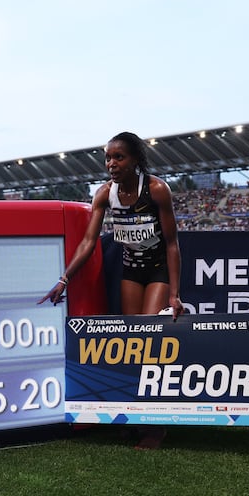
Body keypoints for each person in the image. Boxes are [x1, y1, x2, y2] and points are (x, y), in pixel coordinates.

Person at [38, 131, 184, 449]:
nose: (111, 164)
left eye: (119, 157)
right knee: (133, 344)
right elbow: (89, 242)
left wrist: (174, 294)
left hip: (158, 269)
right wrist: (64, 279)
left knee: (148, 341)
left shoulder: (157, 190)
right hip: (131, 270)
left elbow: (173, 244)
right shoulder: (105, 194)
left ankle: (156, 427)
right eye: (108, 158)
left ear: (135, 160)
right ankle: (135, 417)